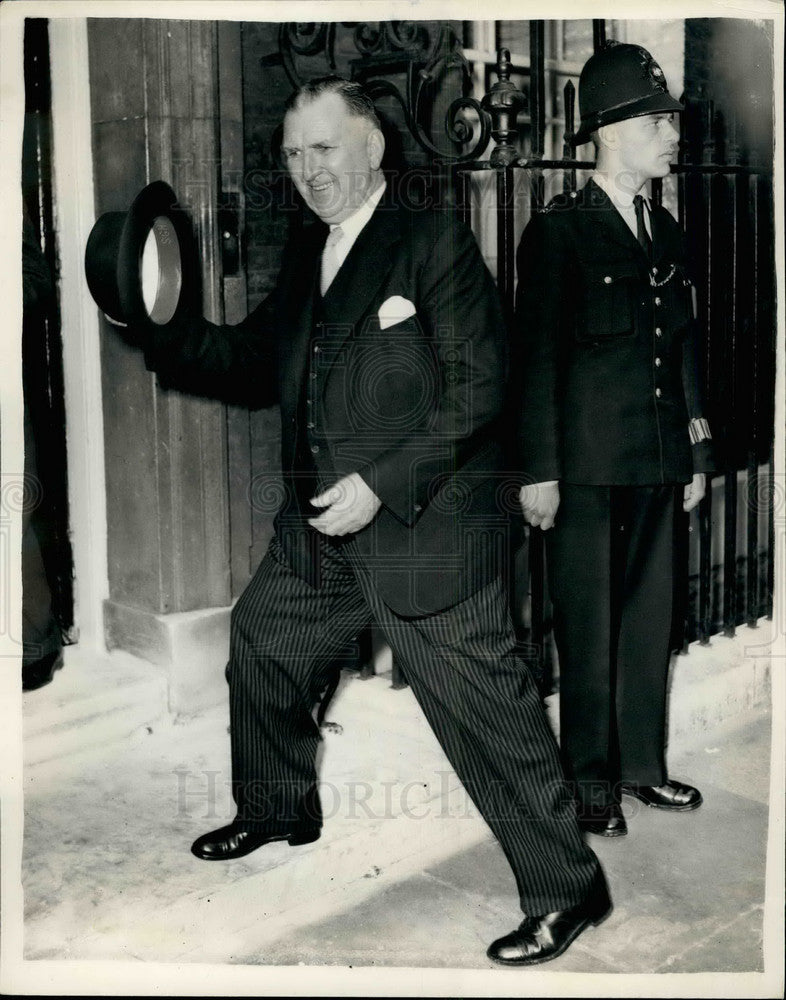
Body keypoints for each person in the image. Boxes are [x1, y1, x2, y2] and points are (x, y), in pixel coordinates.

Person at [127, 76, 610, 966]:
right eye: (294, 154)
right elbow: (247, 357)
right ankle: (279, 808)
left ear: (373, 147)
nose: (308, 170)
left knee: (487, 714)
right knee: (263, 644)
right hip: (318, 527)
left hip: (426, 530)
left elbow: (478, 386)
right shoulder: (314, 253)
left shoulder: (433, 244)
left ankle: (567, 891)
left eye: (325, 148)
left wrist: (380, 483)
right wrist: (156, 322)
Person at [515, 43, 714, 838]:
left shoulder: (663, 228)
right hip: (588, 471)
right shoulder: (560, 234)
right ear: (609, 129)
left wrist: (695, 453)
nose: (672, 134)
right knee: (589, 626)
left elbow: (685, 345)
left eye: (670, 120)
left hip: (658, 460)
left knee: (649, 620)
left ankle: (642, 768)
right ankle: (589, 786)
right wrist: (540, 471)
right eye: (657, 121)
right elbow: (535, 363)